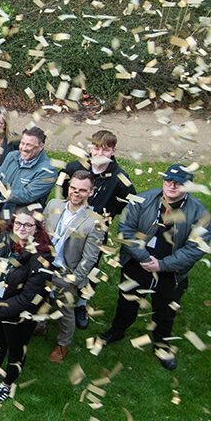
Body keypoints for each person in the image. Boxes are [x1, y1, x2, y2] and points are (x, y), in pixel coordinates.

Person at [98, 164, 210, 370]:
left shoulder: (200, 214)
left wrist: (162, 264)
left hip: (171, 273)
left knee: (165, 311)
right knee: (127, 301)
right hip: (137, 264)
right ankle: (118, 329)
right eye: (168, 181)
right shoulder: (143, 199)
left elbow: (195, 249)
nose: (172, 186)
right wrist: (142, 256)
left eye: (178, 183)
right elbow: (125, 229)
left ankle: (161, 344)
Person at [0, 207, 52, 404]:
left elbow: (28, 298)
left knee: (15, 348)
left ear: (36, 227)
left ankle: (6, 384)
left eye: (28, 225)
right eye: (19, 223)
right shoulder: (5, 239)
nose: (22, 228)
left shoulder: (42, 256)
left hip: (21, 314)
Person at [60, 129, 135, 328]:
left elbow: (130, 202)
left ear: (113, 151)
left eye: (105, 149)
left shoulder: (120, 178)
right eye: (95, 147)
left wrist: (107, 215)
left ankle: (81, 304)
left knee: (89, 265)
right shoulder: (75, 166)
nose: (99, 152)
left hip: (95, 230)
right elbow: (63, 189)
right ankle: (55, 293)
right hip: (70, 222)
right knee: (62, 256)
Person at [41, 171, 105, 363]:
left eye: (82, 190)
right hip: (45, 263)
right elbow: (41, 233)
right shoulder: (53, 204)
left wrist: (75, 280)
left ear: (91, 192)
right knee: (40, 296)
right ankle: (40, 324)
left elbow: (90, 257)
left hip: (67, 272)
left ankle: (63, 344)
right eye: (73, 188)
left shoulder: (95, 222)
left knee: (65, 311)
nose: (76, 193)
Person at [0, 127, 57, 212]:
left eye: (29, 145)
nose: (24, 148)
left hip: (22, 219)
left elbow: (27, 195)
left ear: (41, 147)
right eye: (22, 143)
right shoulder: (12, 156)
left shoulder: (48, 171)